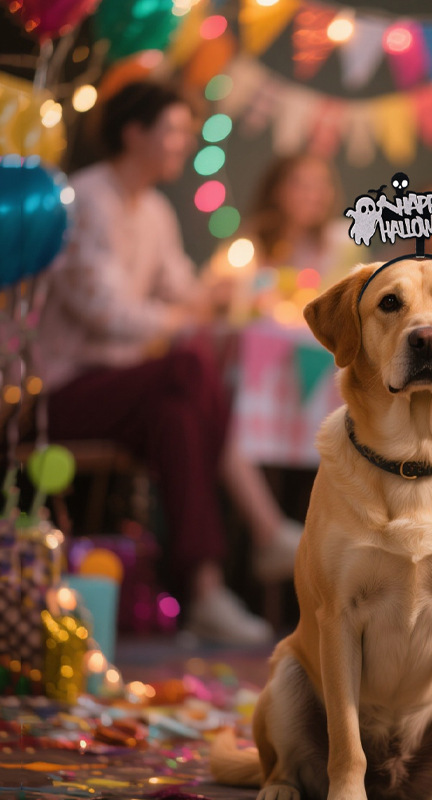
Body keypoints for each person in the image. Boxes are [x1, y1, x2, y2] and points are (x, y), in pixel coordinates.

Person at [37, 81, 303, 646]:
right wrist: (186, 315)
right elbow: (106, 314)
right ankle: (264, 530)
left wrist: (211, 298)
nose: (184, 142)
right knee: (185, 367)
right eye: (175, 130)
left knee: (177, 414)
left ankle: (204, 592)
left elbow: (185, 289)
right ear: (134, 133)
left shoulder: (155, 210)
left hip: (128, 390)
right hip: (61, 390)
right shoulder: (86, 199)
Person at [207, 154, 358, 321]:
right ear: (277, 190)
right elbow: (214, 297)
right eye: (302, 185)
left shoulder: (343, 245)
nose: (314, 195)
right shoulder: (246, 247)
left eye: (322, 185)